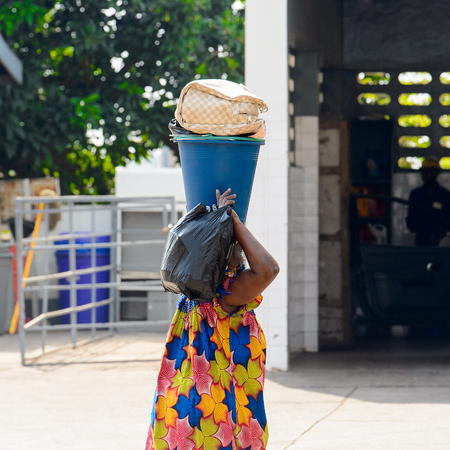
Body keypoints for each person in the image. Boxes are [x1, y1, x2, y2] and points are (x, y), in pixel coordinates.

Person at [145, 188, 279, 450]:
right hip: (216, 418)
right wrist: (233, 223)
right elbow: (268, 269)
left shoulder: (190, 296)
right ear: (219, 261)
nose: (242, 255)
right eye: (236, 250)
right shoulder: (226, 296)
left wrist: (215, 222)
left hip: (182, 409)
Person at [406, 158, 450, 246]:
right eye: (424, 172)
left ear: (436, 174)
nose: (426, 175)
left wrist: (440, 229)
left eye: (429, 172)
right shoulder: (416, 194)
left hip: (439, 240)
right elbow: (411, 216)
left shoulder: (444, 195)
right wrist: (415, 225)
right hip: (421, 239)